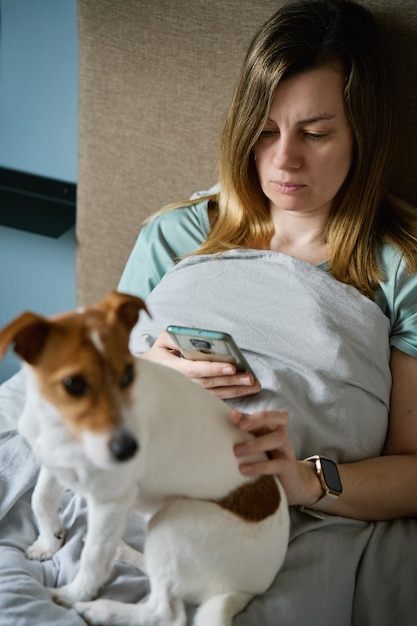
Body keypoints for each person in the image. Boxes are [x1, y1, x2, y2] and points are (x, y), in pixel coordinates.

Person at [119, 1, 417, 622]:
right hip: (136, 474)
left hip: (279, 513)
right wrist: (148, 371)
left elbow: (413, 468)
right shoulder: (175, 236)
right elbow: (97, 383)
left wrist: (310, 481)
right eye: (266, 128)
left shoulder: (401, 270)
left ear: (364, 132)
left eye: (315, 132)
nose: (284, 160)